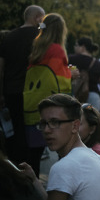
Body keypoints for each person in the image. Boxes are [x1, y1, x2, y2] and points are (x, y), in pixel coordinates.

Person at [20, 94, 100, 200]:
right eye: (43, 123)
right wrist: (34, 180)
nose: (47, 130)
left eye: (55, 122)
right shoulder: (94, 156)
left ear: (75, 126)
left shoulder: (65, 167)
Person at [23, 13, 74, 177]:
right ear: (60, 30)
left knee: (34, 155)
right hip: (51, 106)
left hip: (32, 104)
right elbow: (60, 81)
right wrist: (72, 74)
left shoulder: (38, 48)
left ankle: (32, 189)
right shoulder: (57, 50)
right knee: (63, 148)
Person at [0, 5, 45, 165]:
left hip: (12, 91)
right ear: (37, 18)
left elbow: (2, 69)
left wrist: (1, 94)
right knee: (35, 132)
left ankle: (16, 167)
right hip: (35, 92)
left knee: (16, 133)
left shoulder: (9, 37)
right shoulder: (41, 37)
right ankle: (33, 171)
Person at [69, 37, 100, 116]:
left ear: (83, 47)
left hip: (74, 96)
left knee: (75, 121)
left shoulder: (71, 59)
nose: (74, 47)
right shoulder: (98, 64)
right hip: (93, 98)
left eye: (76, 45)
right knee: (91, 121)